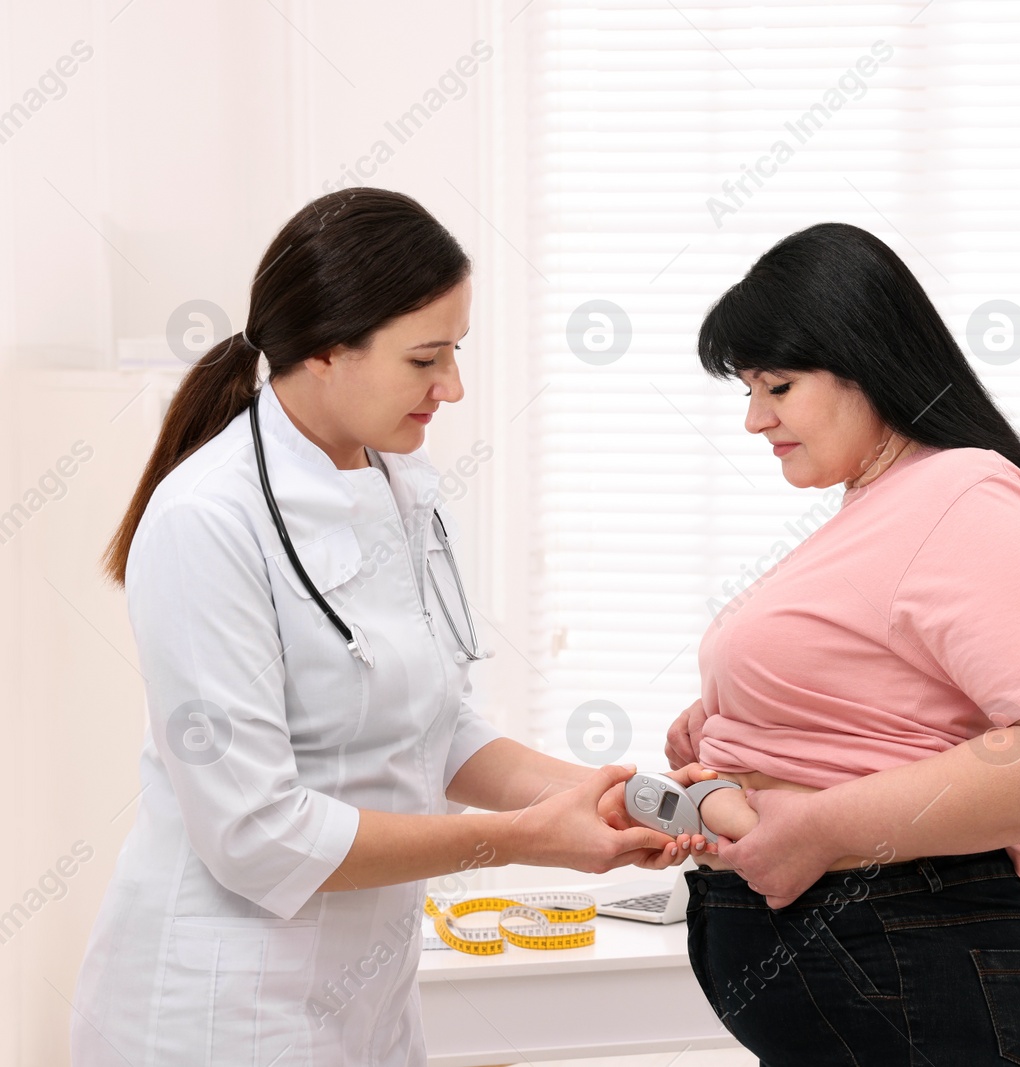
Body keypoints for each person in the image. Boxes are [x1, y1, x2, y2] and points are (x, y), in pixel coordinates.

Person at [73, 188, 712, 1067]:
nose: (452, 387)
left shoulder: (403, 486)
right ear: (328, 350)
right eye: (426, 359)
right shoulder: (206, 521)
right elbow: (256, 834)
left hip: (365, 994)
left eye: (455, 352)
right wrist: (525, 840)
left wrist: (602, 795)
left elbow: (436, 727)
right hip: (222, 1004)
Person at [663, 222, 1020, 1065]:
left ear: (865, 357)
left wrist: (816, 827)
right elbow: (904, 708)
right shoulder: (888, 506)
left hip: (916, 950)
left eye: (778, 385)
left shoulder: (963, 494)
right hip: (885, 955)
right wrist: (735, 723)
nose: (754, 419)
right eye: (747, 391)